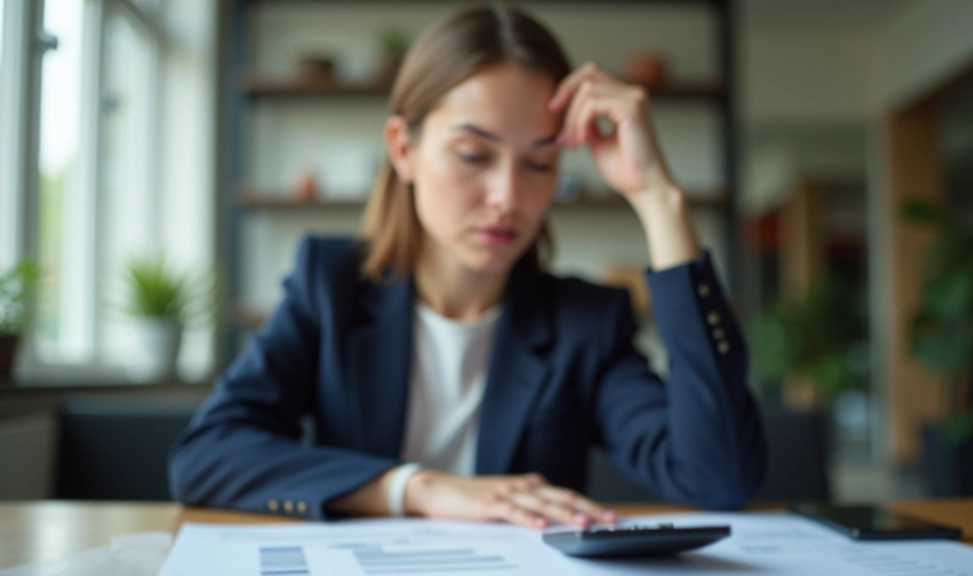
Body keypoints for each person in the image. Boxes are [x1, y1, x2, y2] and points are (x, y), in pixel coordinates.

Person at [169, 3, 765, 530]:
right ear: (404, 149)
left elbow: (718, 477)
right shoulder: (331, 283)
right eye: (474, 154)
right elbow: (208, 455)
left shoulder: (585, 320)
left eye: (539, 162)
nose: (508, 196)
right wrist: (420, 488)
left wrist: (658, 199)